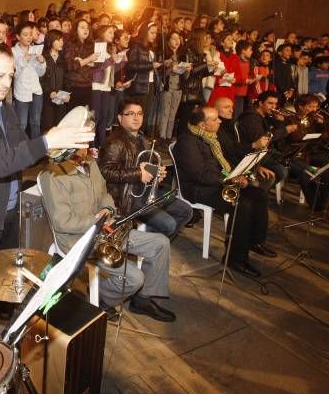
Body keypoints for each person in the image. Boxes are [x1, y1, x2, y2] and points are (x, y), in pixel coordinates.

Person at [0, 44, 94, 318]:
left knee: (7, 267)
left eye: (11, 76)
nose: (7, 83)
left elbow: (22, 152)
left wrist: (58, 148)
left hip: (12, 206)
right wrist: (46, 142)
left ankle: (5, 308)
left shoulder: (5, 108)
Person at [39, 149, 175, 322]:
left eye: (87, 140)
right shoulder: (52, 175)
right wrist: (96, 221)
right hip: (79, 239)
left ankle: (142, 300)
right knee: (134, 278)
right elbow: (62, 222)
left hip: (106, 228)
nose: (87, 146)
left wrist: (107, 209)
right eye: (81, 141)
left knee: (160, 243)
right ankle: (102, 298)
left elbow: (105, 194)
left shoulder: (89, 162)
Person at [172, 107, 273, 278]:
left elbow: (227, 160)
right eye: (215, 119)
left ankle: (255, 241)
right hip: (198, 188)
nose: (219, 121)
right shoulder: (187, 142)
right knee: (243, 205)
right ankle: (235, 258)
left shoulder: (212, 137)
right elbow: (200, 174)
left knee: (259, 194)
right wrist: (229, 179)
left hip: (217, 182)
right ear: (203, 125)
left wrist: (237, 174)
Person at [98, 98, 193, 239]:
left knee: (186, 211)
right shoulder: (114, 141)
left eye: (140, 113)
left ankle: (151, 238)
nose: (136, 118)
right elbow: (105, 172)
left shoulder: (142, 138)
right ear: (119, 118)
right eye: (130, 114)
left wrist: (157, 172)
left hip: (146, 190)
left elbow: (151, 164)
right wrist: (138, 173)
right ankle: (149, 245)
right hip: (127, 197)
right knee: (169, 225)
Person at [12, 21, 46, 139]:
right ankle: (21, 150)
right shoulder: (13, 52)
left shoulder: (35, 49)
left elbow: (41, 73)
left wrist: (41, 62)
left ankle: (36, 150)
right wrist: (23, 60)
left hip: (36, 91)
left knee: (36, 122)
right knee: (22, 124)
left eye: (30, 34)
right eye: (25, 34)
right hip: (21, 92)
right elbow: (14, 75)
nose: (29, 37)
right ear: (18, 36)